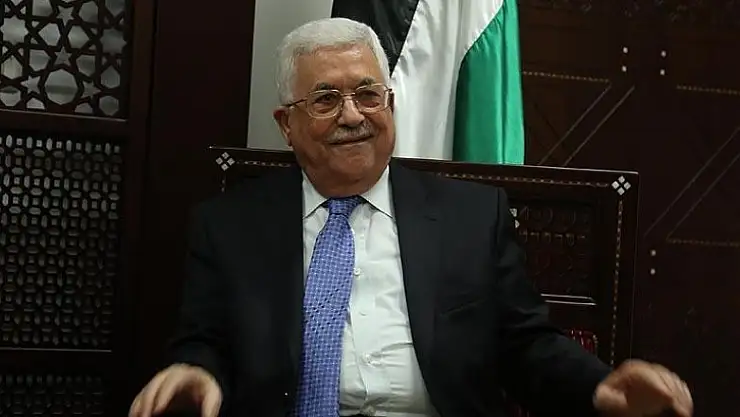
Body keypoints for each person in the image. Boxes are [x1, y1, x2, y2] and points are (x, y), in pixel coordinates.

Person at [129, 17, 692, 417]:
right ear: (286, 125)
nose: (353, 116)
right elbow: (203, 339)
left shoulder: (472, 217)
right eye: (325, 100)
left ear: (391, 104)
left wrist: (601, 389)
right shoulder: (229, 226)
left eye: (368, 95)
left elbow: (526, 344)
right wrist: (195, 372)